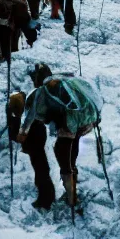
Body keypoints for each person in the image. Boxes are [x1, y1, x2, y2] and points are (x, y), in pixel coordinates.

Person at [15, 64, 103, 210]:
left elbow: (30, 116)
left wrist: (22, 132)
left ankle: (71, 197)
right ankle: (72, 192)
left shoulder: (41, 93)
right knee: (70, 155)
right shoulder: (62, 84)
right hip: (84, 121)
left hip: (69, 123)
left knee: (63, 157)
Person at [7, 91, 53, 209]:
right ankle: (46, 195)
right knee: (41, 168)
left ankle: (46, 199)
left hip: (35, 143)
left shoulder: (26, 118)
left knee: (41, 169)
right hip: (37, 140)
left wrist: (12, 121)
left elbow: (15, 136)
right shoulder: (30, 108)